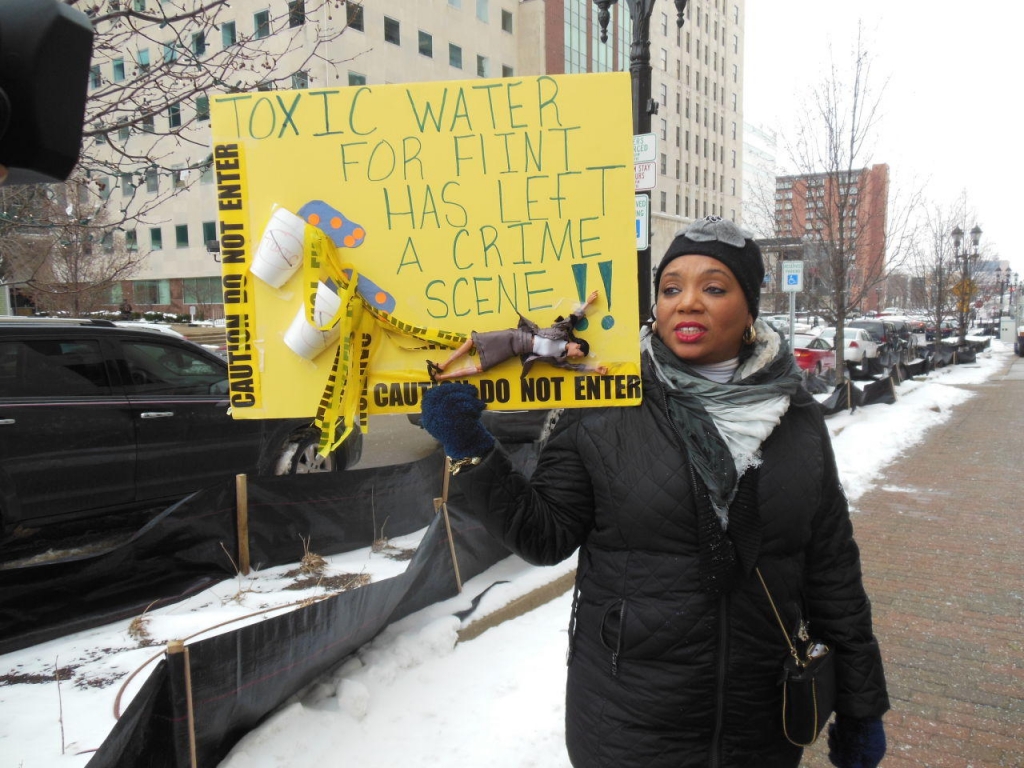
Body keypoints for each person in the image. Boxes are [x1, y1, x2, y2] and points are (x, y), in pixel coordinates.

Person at [419, 216, 889, 767]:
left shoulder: (796, 416)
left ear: (750, 309)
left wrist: (861, 706)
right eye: (671, 288)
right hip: (626, 726)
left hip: (761, 725)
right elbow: (542, 534)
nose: (687, 303)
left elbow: (831, 569)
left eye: (713, 287)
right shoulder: (606, 402)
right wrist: (471, 449)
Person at [427, 290, 607, 381]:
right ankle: (443, 365)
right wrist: (587, 303)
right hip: (514, 337)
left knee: (483, 367)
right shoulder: (561, 333)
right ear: (577, 345)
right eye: (578, 353)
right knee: (473, 340)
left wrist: (593, 369)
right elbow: (572, 318)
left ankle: (441, 377)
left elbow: (574, 368)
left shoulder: (559, 359)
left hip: (514, 351)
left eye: (578, 357)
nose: (575, 357)